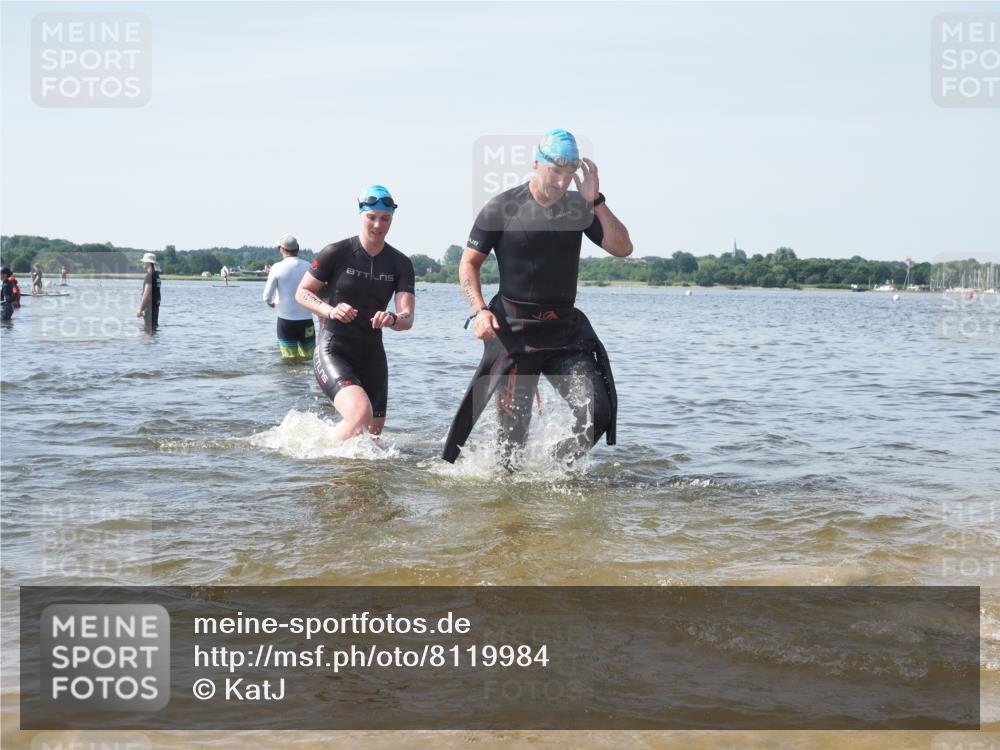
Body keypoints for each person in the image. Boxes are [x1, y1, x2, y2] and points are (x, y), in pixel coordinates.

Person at [442, 129, 633, 468]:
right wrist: (479, 310)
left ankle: (550, 466)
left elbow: (622, 249)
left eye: (569, 173)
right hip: (515, 333)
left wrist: (596, 201)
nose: (562, 181)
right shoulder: (502, 207)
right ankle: (510, 504)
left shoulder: (579, 208)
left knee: (598, 413)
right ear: (536, 164)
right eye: (555, 171)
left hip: (565, 333)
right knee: (511, 444)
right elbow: (468, 264)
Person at [295, 185, 415, 443]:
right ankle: (318, 465)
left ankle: (351, 479)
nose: (378, 224)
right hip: (333, 348)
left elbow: (407, 318)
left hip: (372, 354)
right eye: (371, 217)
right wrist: (330, 310)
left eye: (385, 218)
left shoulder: (400, 263)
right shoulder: (336, 253)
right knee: (361, 414)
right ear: (361, 214)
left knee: (372, 435)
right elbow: (302, 293)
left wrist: (393, 318)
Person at [262, 234, 316, 359]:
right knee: (309, 357)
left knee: (289, 359)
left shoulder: (276, 267)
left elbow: (267, 297)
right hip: (306, 321)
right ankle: (306, 379)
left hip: (286, 322)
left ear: (281, 249)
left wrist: (272, 304)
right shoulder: (309, 266)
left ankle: (290, 380)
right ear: (297, 249)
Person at [135, 252, 161, 331]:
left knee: (148, 331)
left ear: (148, 263)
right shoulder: (156, 275)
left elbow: (146, 293)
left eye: (143, 261)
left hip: (149, 308)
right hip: (155, 307)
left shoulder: (149, 275)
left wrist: (140, 309)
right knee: (153, 329)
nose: (142, 263)